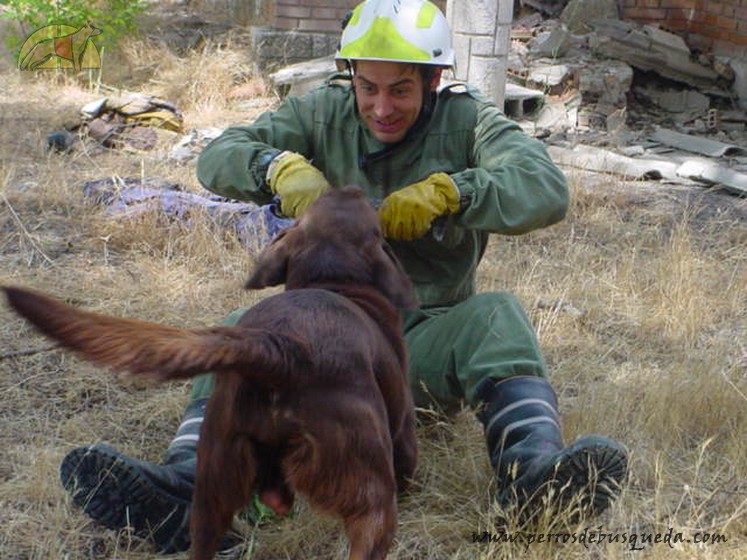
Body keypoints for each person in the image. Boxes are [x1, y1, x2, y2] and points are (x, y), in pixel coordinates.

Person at [60, 0, 628, 553]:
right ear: (351, 78)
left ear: (433, 82)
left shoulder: (469, 120)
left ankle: (532, 480)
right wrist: (274, 166)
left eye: (401, 89)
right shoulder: (320, 111)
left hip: (414, 351)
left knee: (496, 315)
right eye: (368, 88)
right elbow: (221, 155)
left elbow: (545, 190)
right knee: (242, 325)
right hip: (320, 355)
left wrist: (455, 192)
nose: (381, 107)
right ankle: (185, 485)